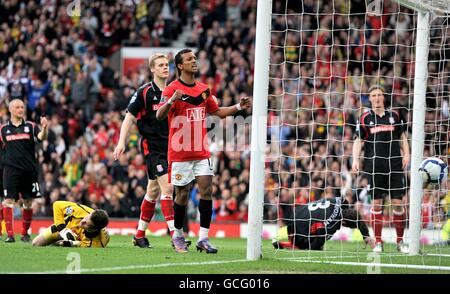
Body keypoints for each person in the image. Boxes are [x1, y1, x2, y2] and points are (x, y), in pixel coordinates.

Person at [156, 48, 252, 253]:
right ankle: (179, 236)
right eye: (189, 59)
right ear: (180, 65)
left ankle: (203, 239)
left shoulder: (204, 89)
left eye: (195, 58)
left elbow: (216, 112)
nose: (194, 61)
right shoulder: (170, 89)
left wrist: (238, 107)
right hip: (180, 152)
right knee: (181, 195)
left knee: (207, 190)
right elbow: (159, 115)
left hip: (201, 151)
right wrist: (172, 100)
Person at [113, 53, 188, 248]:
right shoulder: (144, 92)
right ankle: (176, 236)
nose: (165, 67)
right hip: (153, 147)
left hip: (172, 147)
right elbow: (129, 117)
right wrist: (121, 142)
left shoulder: (174, 90)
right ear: (152, 69)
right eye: (161, 65)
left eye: (167, 65)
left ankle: (139, 235)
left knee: (153, 191)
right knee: (168, 188)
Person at [352, 85, 410, 253]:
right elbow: (358, 140)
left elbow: (402, 137)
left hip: (395, 166)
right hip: (375, 167)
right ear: (369, 99)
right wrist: (355, 159)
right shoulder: (364, 118)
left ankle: (400, 242)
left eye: (379, 95)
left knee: (398, 204)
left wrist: (406, 154)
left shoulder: (395, 115)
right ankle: (378, 242)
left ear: (384, 97)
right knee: (377, 204)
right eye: (373, 95)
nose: (376, 98)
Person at [0, 99, 48, 243]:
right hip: (10, 170)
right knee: (8, 201)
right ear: (10, 109)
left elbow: (41, 138)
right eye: (17, 107)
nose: (20, 109)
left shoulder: (31, 126)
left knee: (28, 202)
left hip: (29, 170)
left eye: (22, 107)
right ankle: (9, 235)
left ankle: (24, 233)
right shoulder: (3, 129)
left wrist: (44, 128)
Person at [272, 197, 375, 250]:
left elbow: (355, 217)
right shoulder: (331, 226)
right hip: (294, 228)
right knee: (310, 246)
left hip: (298, 210)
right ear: (343, 222)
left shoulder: (342, 201)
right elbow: (316, 243)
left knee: (316, 230)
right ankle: (285, 245)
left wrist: (365, 235)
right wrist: (317, 246)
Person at [32, 201, 110, 247]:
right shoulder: (80, 210)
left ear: (95, 229)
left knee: (59, 245)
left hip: (74, 237)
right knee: (35, 243)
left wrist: (71, 243)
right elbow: (57, 204)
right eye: (86, 218)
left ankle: (61, 240)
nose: (82, 221)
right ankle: (61, 236)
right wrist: (63, 230)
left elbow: (81, 245)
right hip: (63, 226)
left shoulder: (97, 242)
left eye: (86, 224)